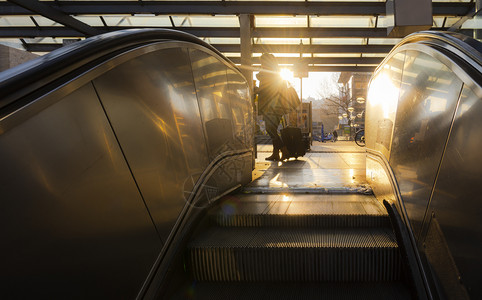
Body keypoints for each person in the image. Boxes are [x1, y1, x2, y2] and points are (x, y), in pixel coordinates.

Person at [256, 53, 287, 161]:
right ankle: (275, 153)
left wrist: (257, 90)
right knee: (272, 129)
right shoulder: (274, 73)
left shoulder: (269, 74)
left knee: (270, 129)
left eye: (262, 61)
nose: (261, 64)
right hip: (275, 107)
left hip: (272, 107)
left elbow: (268, 90)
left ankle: (284, 149)